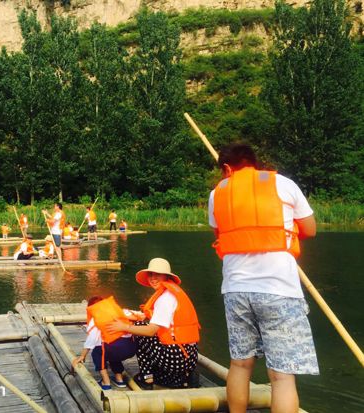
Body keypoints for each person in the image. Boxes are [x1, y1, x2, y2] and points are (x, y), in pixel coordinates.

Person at [208, 143, 318, 413]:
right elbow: (310, 229)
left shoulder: (216, 194)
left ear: (226, 168)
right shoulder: (284, 184)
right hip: (279, 289)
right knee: (281, 375)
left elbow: (220, 235)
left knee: (240, 364)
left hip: (235, 290)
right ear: (254, 163)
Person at [106, 258, 200, 390]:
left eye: (157, 274)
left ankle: (147, 377)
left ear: (166, 276)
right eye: (150, 274)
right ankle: (183, 378)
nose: (153, 278)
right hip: (190, 357)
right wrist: (143, 315)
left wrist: (124, 327)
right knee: (142, 325)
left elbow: (150, 331)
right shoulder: (174, 293)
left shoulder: (165, 298)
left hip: (175, 358)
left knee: (139, 329)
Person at [72, 296, 138, 390]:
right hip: (131, 348)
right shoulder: (120, 311)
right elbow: (138, 315)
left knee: (98, 352)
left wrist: (82, 355)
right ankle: (119, 380)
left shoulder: (96, 318)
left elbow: (91, 340)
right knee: (111, 352)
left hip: (117, 349)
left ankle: (106, 382)